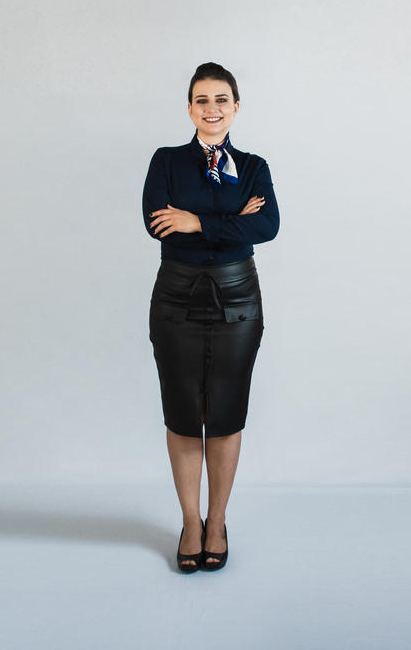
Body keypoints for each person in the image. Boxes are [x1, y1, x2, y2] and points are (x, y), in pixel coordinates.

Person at [142, 62, 280, 572]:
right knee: (183, 413)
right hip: (176, 298)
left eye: (222, 99)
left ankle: (217, 521)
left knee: (224, 412)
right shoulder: (166, 162)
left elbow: (267, 225)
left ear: (236, 106)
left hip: (237, 299)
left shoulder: (254, 166)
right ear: (189, 107)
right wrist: (230, 224)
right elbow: (158, 226)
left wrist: (196, 219)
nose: (212, 108)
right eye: (202, 99)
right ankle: (191, 521)